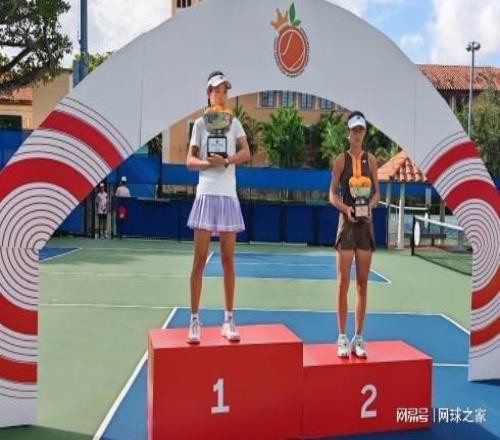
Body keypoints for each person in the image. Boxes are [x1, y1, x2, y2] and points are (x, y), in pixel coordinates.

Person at [185, 71, 251, 344]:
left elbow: (246, 153)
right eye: (217, 90)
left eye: (225, 90)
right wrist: (208, 164)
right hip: (206, 194)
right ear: (208, 94)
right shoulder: (200, 124)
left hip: (227, 196)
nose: (221, 95)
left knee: (227, 260)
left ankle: (228, 319)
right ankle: (194, 320)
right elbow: (189, 161)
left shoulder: (234, 123)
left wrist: (226, 161)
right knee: (199, 260)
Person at [328, 111, 380, 358]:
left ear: (364, 132)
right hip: (347, 224)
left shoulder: (372, 161)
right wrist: (345, 209)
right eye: (354, 130)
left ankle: (358, 338)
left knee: (362, 283)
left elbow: (377, 193)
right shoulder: (341, 160)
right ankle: (341, 337)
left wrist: (369, 207)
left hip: (365, 225)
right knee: (342, 283)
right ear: (348, 132)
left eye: (361, 130)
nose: (358, 134)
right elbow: (331, 194)